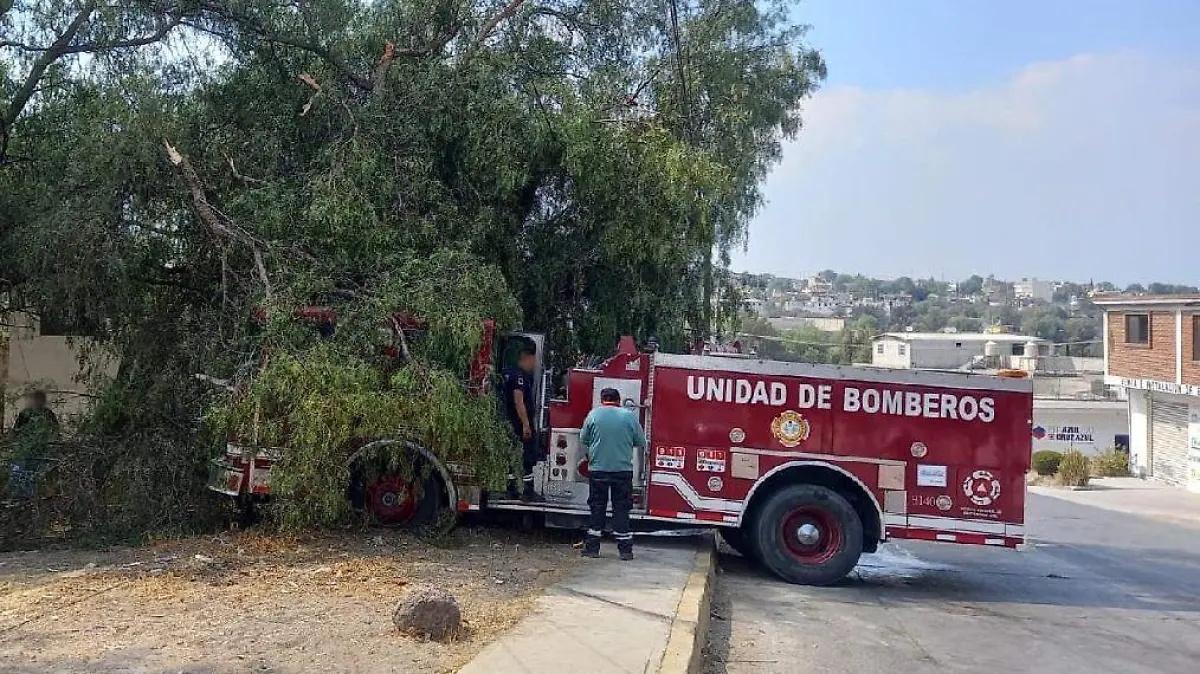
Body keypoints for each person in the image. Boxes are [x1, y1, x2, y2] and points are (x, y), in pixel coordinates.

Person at [579, 387, 646, 560]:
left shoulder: (593, 415)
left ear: (602, 400)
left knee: (597, 507)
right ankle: (625, 551)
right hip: (622, 471)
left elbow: (583, 439)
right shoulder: (629, 416)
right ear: (618, 400)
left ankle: (592, 548)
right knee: (622, 508)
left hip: (598, 470)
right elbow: (640, 441)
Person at [503, 346, 544, 502]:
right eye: (533, 361)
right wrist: (526, 424)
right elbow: (518, 401)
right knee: (527, 456)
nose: (534, 364)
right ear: (526, 358)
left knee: (514, 456)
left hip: (513, 422)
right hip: (519, 423)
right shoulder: (519, 376)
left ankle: (511, 489)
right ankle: (527, 492)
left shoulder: (512, 373)